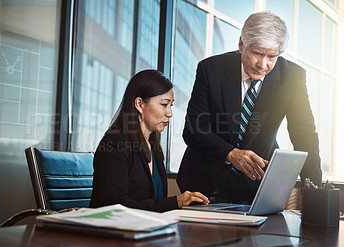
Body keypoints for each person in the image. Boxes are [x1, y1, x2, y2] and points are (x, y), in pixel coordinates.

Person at [177, 11, 322, 204]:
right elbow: (194, 130)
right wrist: (231, 153)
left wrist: (318, 197)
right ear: (241, 45)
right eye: (257, 53)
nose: (263, 64)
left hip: (257, 185)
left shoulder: (292, 78)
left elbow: (305, 136)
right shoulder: (210, 69)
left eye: (272, 56)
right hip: (206, 182)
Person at [90, 69, 209, 212]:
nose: (170, 113)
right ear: (139, 104)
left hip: (146, 229)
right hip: (113, 231)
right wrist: (176, 202)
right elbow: (115, 206)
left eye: (171, 105)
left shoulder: (152, 145)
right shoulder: (114, 144)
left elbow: (152, 202)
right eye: (164, 104)